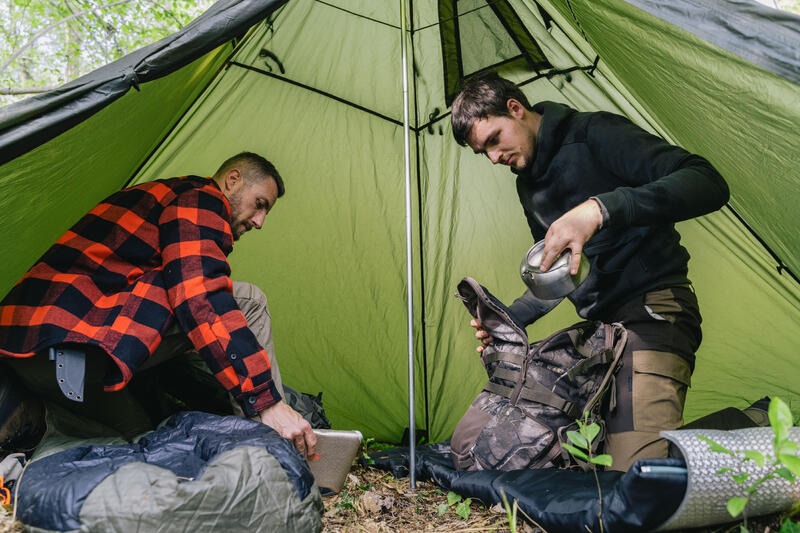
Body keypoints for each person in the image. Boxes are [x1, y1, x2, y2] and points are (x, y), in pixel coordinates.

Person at [451, 73, 730, 471]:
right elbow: (564, 273)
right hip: (598, 335)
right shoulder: (528, 184)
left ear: (515, 109)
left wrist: (599, 209)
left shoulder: (596, 133)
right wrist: (506, 320)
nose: (494, 158)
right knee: (505, 446)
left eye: (494, 139)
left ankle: (753, 433)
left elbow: (708, 182)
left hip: (654, 311)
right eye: (484, 152)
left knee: (635, 477)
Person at [0, 152, 316, 459]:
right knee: (250, 302)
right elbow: (201, 295)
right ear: (233, 180)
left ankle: (31, 420)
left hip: (35, 353)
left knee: (140, 436)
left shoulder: (164, 198)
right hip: (71, 339)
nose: (260, 222)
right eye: (260, 205)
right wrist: (266, 402)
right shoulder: (201, 197)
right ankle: (267, 451)